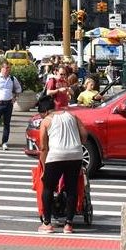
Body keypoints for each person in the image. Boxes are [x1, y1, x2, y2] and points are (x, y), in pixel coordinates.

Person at [36, 93, 83, 234]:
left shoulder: (46, 121)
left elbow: (43, 147)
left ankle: (47, 223)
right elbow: (85, 135)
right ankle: (68, 224)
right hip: (75, 154)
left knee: (48, 187)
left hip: (56, 155)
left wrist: (44, 166)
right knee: (71, 188)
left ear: (45, 112)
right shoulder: (72, 116)